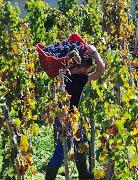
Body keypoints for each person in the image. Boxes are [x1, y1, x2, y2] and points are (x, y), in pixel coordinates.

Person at [45, 44, 106, 180]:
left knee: (81, 142)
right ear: (82, 68)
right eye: (89, 69)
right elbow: (101, 70)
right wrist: (94, 52)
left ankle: (84, 175)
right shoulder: (80, 79)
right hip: (68, 119)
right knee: (61, 151)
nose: (89, 71)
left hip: (65, 117)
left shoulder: (64, 74)